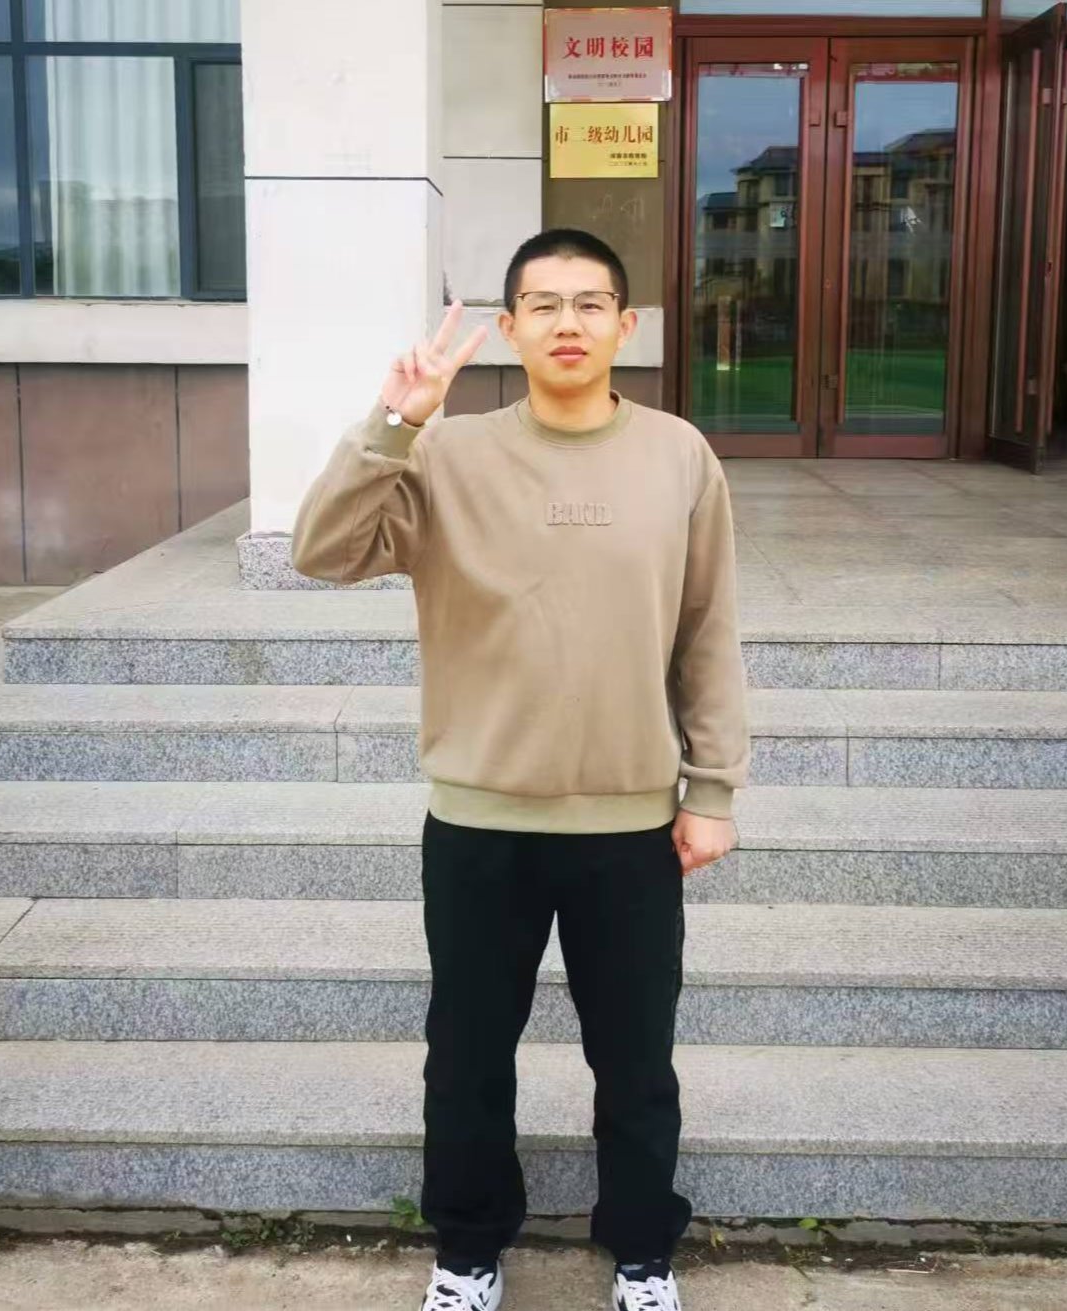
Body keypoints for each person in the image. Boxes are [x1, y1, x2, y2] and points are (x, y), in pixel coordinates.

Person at [291, 228, 748, 1311]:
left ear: (624, 327)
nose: (567, 324)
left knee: (634, 1060)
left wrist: (712, 788)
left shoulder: (678, 455)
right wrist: (395, 423)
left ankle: (641, 1253)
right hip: (479, 821)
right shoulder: (446, 455)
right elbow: (322, 551)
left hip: (629, 826)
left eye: (590, 304)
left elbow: (706, 630)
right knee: (465, 1057)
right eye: (543, 305)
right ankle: (466, 1250)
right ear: (508, 327)